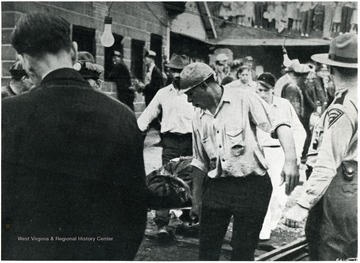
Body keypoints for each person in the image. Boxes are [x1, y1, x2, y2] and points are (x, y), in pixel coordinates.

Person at [2, 12, 147, 260]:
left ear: (24, 61)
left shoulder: (7, 114)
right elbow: (135, 208)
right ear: (73, 50)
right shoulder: (122, 116)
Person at [178, 62, 300, 260]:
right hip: (218, 187)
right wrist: (196, 201)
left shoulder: (244, 99)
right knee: (207, 249)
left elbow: (279, 124)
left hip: (252, 186)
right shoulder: (198, 118)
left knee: (243, 251)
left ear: (204, 86)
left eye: (190, 94)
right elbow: (199, 162)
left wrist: (291, 160)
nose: (189, 101)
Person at [284, 33, 357, 261]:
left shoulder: (343, 107)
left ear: (331, 68)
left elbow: (327, 162)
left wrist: (303, 204)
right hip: (351, 184)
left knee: (329, 249)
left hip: (338, 185)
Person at [137, 53, 194, 238]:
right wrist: (135, 132)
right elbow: (148, 115)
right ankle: (162, 224)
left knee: (189, 180)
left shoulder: (193, 93)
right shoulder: (163, 93)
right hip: (170, 141)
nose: (177, 75)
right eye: (173, 71)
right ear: (168, 72)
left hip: (190, 140)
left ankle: (187, 221)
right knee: (165, 180)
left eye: (180, 71)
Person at [256, 73, 306, 240]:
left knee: (279, 194)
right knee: (263, 192)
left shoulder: (284, 105)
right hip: (260, 152)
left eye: (264, 90)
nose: (261, 94)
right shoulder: (253, 105)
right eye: (258, 90)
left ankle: (271, 222)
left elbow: (299, 131)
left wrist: (294, 156)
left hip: (280, 152)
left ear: (272, 90)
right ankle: (262, 228)